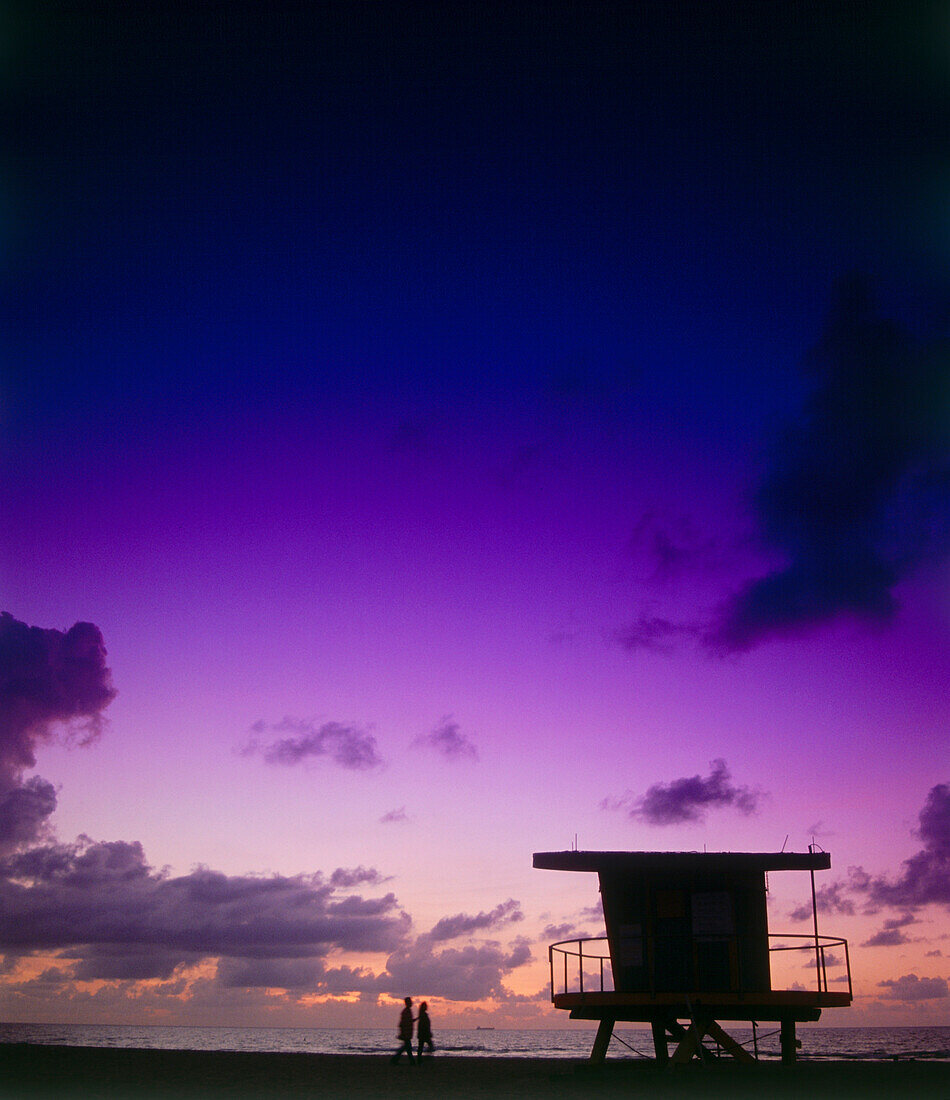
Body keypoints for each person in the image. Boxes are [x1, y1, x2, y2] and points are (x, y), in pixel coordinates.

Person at [390, 997, 415, 1063]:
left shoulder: (407, 1011)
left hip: (407, 1033)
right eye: (410, 1002)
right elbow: (403, 1023)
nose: (411, 1003)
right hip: (406, 1033)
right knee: (407, 1047)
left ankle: (395, 1060)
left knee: (406, 1047)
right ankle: (411, 1061)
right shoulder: (406, 1011)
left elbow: (408, 1021)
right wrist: (403, 1032)